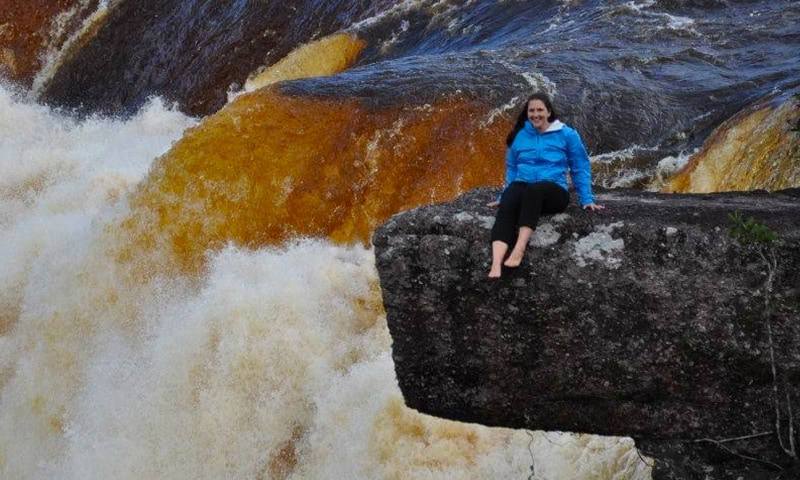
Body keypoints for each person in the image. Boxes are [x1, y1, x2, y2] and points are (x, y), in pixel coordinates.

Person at [488, 92, 604, 278]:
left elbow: (580, 166)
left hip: (554, 191)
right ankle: (496, 264)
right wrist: (504, 195)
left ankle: (519, 249)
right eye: (531, 111)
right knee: (509, 200)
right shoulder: (520, 135)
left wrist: (587, 198)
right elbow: (512, 168)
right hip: (523, 185)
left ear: (549, 112)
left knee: (533, 190)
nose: (535, 114)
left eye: (540, 110)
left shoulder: (567, 134)